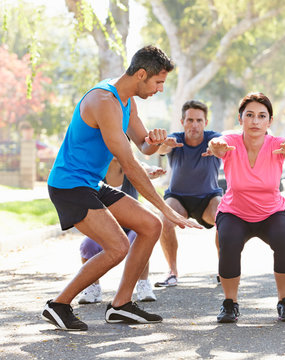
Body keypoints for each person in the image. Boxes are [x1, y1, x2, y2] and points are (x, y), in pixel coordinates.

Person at [43, 45, 202, 331]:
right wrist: (168, 209)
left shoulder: (127, 101)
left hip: (90, 183)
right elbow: (129, 164)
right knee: (116, 246)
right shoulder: (104, 101)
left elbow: (143, 145)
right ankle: (59, 304)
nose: (160, 89)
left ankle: (121, 305)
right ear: (141, 74)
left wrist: (155, 141)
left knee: (151, 226)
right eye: (158, 82)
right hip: (70, 185)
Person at [207, 92, 285, 323]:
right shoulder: (230, 141)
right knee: (228, 241)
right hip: (235, 211)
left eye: (262, 116)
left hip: (272, 212)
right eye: (249, 115)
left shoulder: (277, 144)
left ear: (270, 121)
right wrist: (215, 145)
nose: (255, 121)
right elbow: (217, 145)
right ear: (240, 119)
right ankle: (230, 303)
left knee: (284, 237)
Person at [154, 100, 222, 288]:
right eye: (190, 120)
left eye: (199, 120)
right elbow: (162, 148)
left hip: (208, 199)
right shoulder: (175, 139)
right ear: (182, 121)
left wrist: (216, 148)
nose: (194, 125)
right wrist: (162, 144)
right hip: (178, 199)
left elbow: (221, 145)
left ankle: (224, 270)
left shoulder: (214, 138)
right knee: (164, 220)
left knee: (225, 218)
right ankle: (172, 272)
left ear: (205, 122)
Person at [78, 157, 165, 304]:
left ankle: (143, 284)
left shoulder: (130, 166)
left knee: (140, 240)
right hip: (106, 227)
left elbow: (145, 169)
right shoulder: (98, 169)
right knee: (87, 246)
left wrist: (152, 172)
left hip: (131, 226)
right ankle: (93, 287)